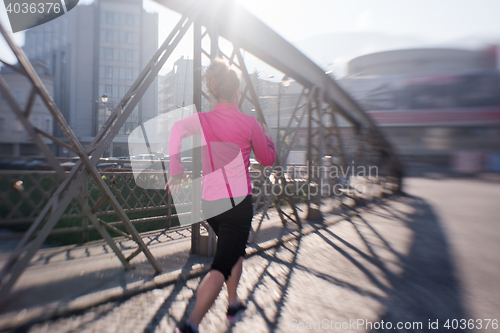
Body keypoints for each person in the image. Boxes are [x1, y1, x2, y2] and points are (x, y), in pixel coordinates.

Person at [166, 58, 276, 333]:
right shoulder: (249, 123)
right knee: (221, 266)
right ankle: (190, 324)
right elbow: (267, 159)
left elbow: (176, 129)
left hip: (210, 205)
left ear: (214, 92)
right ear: (237, 92)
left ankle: (233, 302)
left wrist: (176, 170)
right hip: (238, 206)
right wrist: (266, 136)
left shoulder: (202, 120)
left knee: (234, 250)